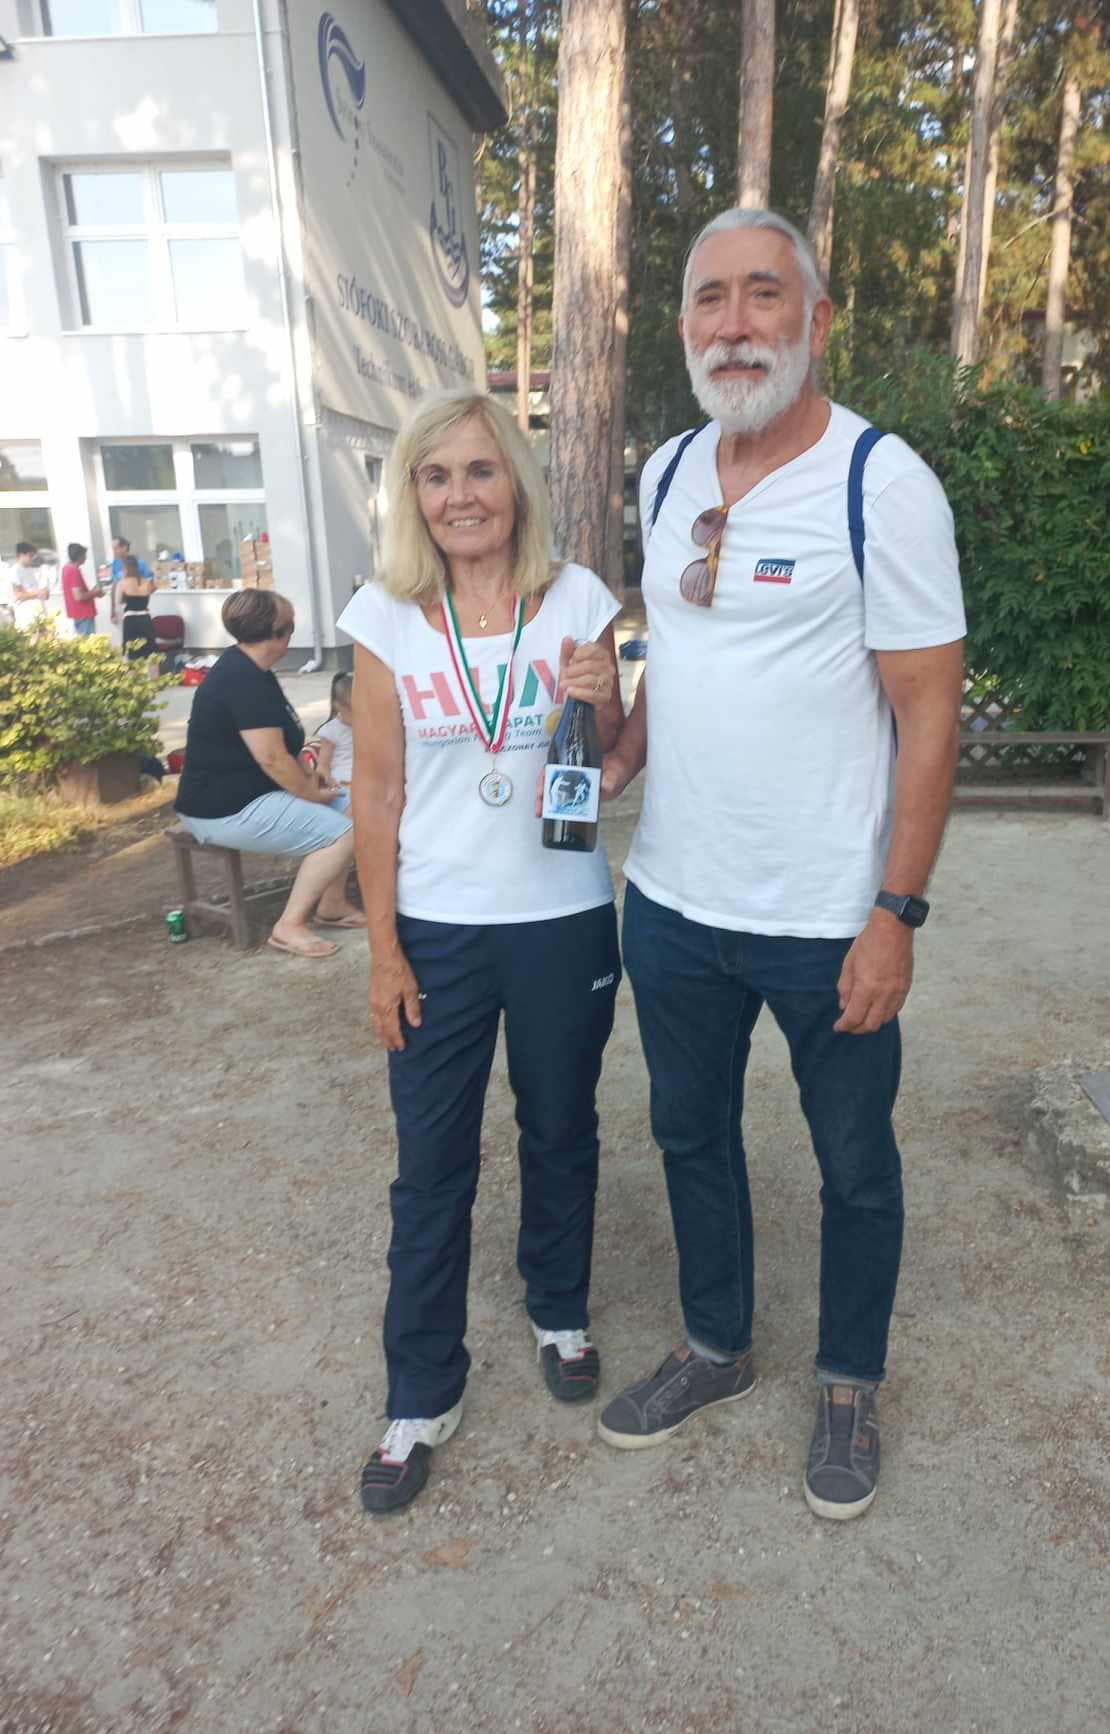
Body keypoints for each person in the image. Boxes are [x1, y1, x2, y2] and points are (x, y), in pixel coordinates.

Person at [594, 208, 967, 1522]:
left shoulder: (880, 483)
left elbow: (929, 714)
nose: (735, 324)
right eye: (710, 299)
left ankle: (849, 1380)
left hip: (826, 917)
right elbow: (679, 653)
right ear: (682, 326)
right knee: (688, 1130)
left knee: (852, 1157)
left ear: (815, 319)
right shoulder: (666, 473)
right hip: (673, 901)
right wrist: (619, 751)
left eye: (763, 295)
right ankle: (715, 1342)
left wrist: (894, 913)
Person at [337, 389, 624, 1514]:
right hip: (439, 928)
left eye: (479, 470)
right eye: (436, 475)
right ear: (413, 495)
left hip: (560, 917)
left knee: (560, 1128)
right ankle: (420, 1390)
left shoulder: (579, 598)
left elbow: (606, 759)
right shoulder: (386, 616)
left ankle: (558, 1307)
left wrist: (602, 698)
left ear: (515, 483)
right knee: (431, 1166)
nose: (460, 496)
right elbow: (375, 791)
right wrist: (382, 950)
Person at [174, 589, 365, 958]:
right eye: (291, 624)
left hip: (254, 793)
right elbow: (272, 758)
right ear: (279, 633)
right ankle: (289, 925)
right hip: (222, 808)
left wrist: (311, 775)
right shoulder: (242, 680)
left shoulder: (253, 670)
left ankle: (332, 904)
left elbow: (284, 745)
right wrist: (309, 793)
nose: (293, 631)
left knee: (358, 805)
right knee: (345, 833)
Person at [314, 672, 354, 806]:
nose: (359, 716)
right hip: (343, 783)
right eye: (353, 711)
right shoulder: (332, 730)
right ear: (338, 706)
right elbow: (323, 766)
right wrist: (328, 782)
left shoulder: (369, 725)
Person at [108, 536, 151, 635]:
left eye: (116, 548)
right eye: (112, 549)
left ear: (124, 547)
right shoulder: (115, 564)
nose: (114, 551)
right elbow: (114, 588)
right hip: (125, 611)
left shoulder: (140, 564)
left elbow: (148, 587)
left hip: (140, 610)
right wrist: (112, 611)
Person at [118, 557, 157, 661]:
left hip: (130, 619)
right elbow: (147, 600)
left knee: (132, 653)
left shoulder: (123, 583)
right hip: (145, 618)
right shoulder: (146, 582)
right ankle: (154, 672)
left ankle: (134, 672)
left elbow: (119, 601)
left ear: (125, 568)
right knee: (150, 652)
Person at [6, 543, 50, 630]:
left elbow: (43, 592)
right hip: (27, 617)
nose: (32, 558)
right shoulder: (15, 571)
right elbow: (19, 595)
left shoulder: (31, 569)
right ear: (21, 555)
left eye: (33, 555)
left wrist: (42, 592)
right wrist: (38, 592)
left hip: (39, 612)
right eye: (30, 555)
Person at [61, 544, 101, 637]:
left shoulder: (66, 568)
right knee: (89, 642)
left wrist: (92, 592)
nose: (85, 558)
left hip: (78, 613)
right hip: (83, 614)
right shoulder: (74, 571)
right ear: (79, 556)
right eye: (84, 555)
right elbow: (79, 596)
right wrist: (95, 592)